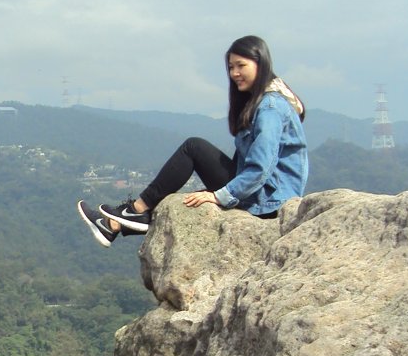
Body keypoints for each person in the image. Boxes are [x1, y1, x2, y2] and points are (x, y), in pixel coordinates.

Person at [77, 35, 308, 246]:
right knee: (190, 192)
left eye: (241, 66)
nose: (235, 73)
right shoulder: (263, 103)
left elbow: (260, 169)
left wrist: (219, 196)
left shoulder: (270, 108)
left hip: (267, 202)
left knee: (193, 148)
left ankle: (134, 210)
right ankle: (113, 225)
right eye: (230, 67)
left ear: (261, 64)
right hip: (263, 196)